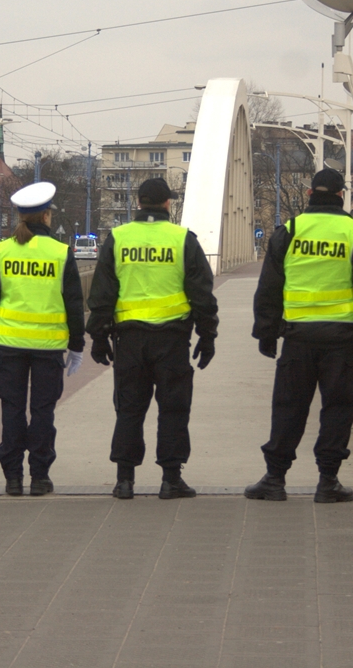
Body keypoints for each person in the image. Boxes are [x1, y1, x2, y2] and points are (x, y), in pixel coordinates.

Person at [246, 168, 353, 503]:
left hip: (297, 339)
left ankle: (274, 479)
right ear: (341, 196)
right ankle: (328, 482)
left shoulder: (290, 230)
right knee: (339, 409)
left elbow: (269, 288)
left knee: (288, 408)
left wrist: (266, 334)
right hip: (342, 341)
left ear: (310, 194)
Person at [86, 177, 219, 500]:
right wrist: (208, 333)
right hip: (172, 339)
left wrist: (99, 336)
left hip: (129, 339)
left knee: (129, 408)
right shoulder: (182, 239)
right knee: (173, 408)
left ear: (138, 202)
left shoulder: (118, 238)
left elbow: (103, 292)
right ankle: (171, 480)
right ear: (168, 204)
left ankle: (124, 480)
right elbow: (201, 291)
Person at [0, 181, 86, 497]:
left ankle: (12, 478)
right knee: (43, 413)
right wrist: (77, 345)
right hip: (48, 347)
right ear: (47, 216)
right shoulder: (61, 252)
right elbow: (74, 302)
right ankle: (39, 477)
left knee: (11, 411)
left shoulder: (2, 251)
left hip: (9, 345)